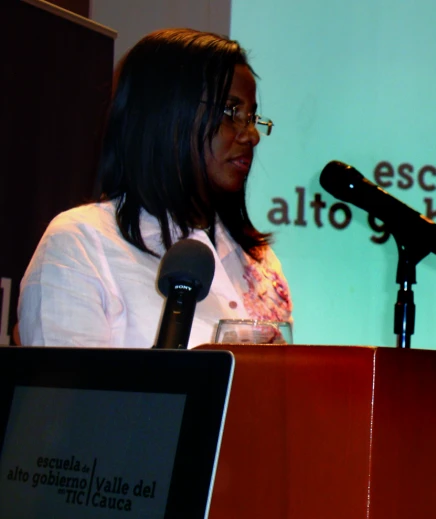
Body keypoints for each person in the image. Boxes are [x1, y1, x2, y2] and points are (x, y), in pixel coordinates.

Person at [17, 28, 292, 348]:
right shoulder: (82, 243)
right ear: (166, 113)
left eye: (252, 116)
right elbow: (70, 396)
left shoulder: (258, 261)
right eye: (231, 111)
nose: (251, 135)